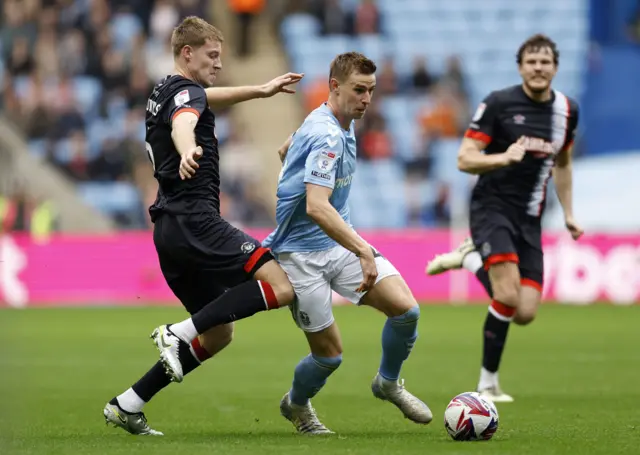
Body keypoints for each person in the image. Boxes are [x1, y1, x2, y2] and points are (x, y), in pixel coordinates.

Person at [103, 16, 303, 435]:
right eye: (212, 56)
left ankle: (129, 402)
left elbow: (202, 100)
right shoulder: (185, 97)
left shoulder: (166, 88)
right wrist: (189, 148)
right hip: (195, 220)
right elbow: (185, 123)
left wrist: (261, 90)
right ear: (187, 53)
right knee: (281, 287)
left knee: (219, 334)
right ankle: (177, 332)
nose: (218, 63)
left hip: (169, 229)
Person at [265, 52, 433, 435]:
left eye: (371, 91)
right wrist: (362, 249)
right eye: (360, 90)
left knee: (406, 311)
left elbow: (291, 145)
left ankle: (387, 383)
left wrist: (290, 155)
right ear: (335, 86)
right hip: (301, 256)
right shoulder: (327, 135)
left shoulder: (335, 121)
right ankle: (297, 404)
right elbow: (317, 206)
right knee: (330, 357)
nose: (367, 99)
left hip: (336, 245)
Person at [425, 34, 583, 403]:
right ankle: (487, 383)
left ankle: (470, 258)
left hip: (530, 217)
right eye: (532, 61)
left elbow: (563, 163)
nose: (539, 68)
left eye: (545, 62)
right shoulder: (499, 103)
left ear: (555, 67)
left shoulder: (567, 112)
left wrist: (571, 213)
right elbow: (464, 158)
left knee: (525, 311)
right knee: (507, 294)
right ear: (521, 67)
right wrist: (502, 158)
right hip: (491, 207)